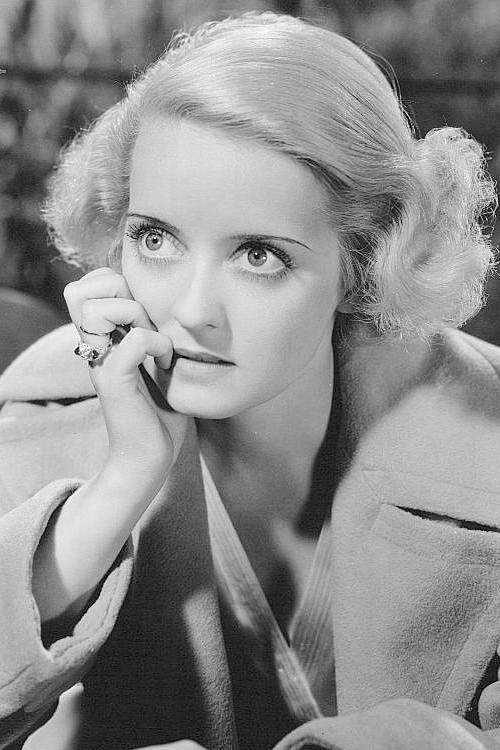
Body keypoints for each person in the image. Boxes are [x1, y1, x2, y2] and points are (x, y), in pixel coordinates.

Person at [0, 10, 499, 750]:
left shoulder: (483, 438)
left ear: (364, 263)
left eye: (259, 255)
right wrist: (121, 480)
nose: (191, 310)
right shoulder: (42, 413)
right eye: (155, 238)